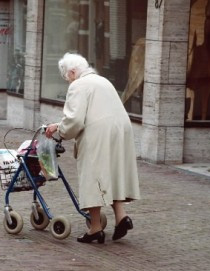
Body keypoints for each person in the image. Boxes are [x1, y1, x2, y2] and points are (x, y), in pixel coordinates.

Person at [45, 52, 140, 243]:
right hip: (120, 128)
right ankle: (121, 217)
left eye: (66, 77)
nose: (67, 81)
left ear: (72, 72)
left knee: (93, 176)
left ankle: (95, 228)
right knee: (112, 173)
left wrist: (61, 131)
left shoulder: (78, 85)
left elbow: (75, 120)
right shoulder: (101, 80)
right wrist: (60, 125)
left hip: (98, 133)